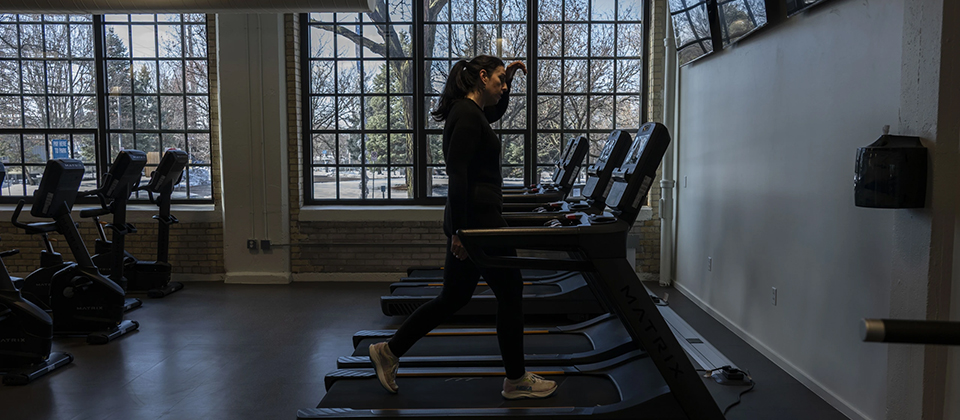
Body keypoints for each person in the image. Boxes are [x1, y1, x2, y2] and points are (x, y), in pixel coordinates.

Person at [368, 55, 558, 400]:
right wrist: (462, 233)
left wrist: (512, 76)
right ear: (481, 77)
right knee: (511, 290)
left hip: (473, 219)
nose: (502, 87)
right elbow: (457, 177)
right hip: (479, 222)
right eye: (499, 80)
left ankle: (389, 351)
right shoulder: (468, 116)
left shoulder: (470, 113)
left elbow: (494, 114)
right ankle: (516, 380)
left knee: (453, 297)